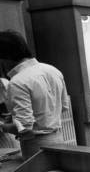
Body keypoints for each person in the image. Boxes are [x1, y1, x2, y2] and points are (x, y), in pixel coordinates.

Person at [0, 30, 68, 159]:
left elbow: (25, 129)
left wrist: (3, 127)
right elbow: (63, 107)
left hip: (36, 146)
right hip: (59, 139)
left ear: (4, 57)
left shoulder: (17, 81)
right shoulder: (53, 70)